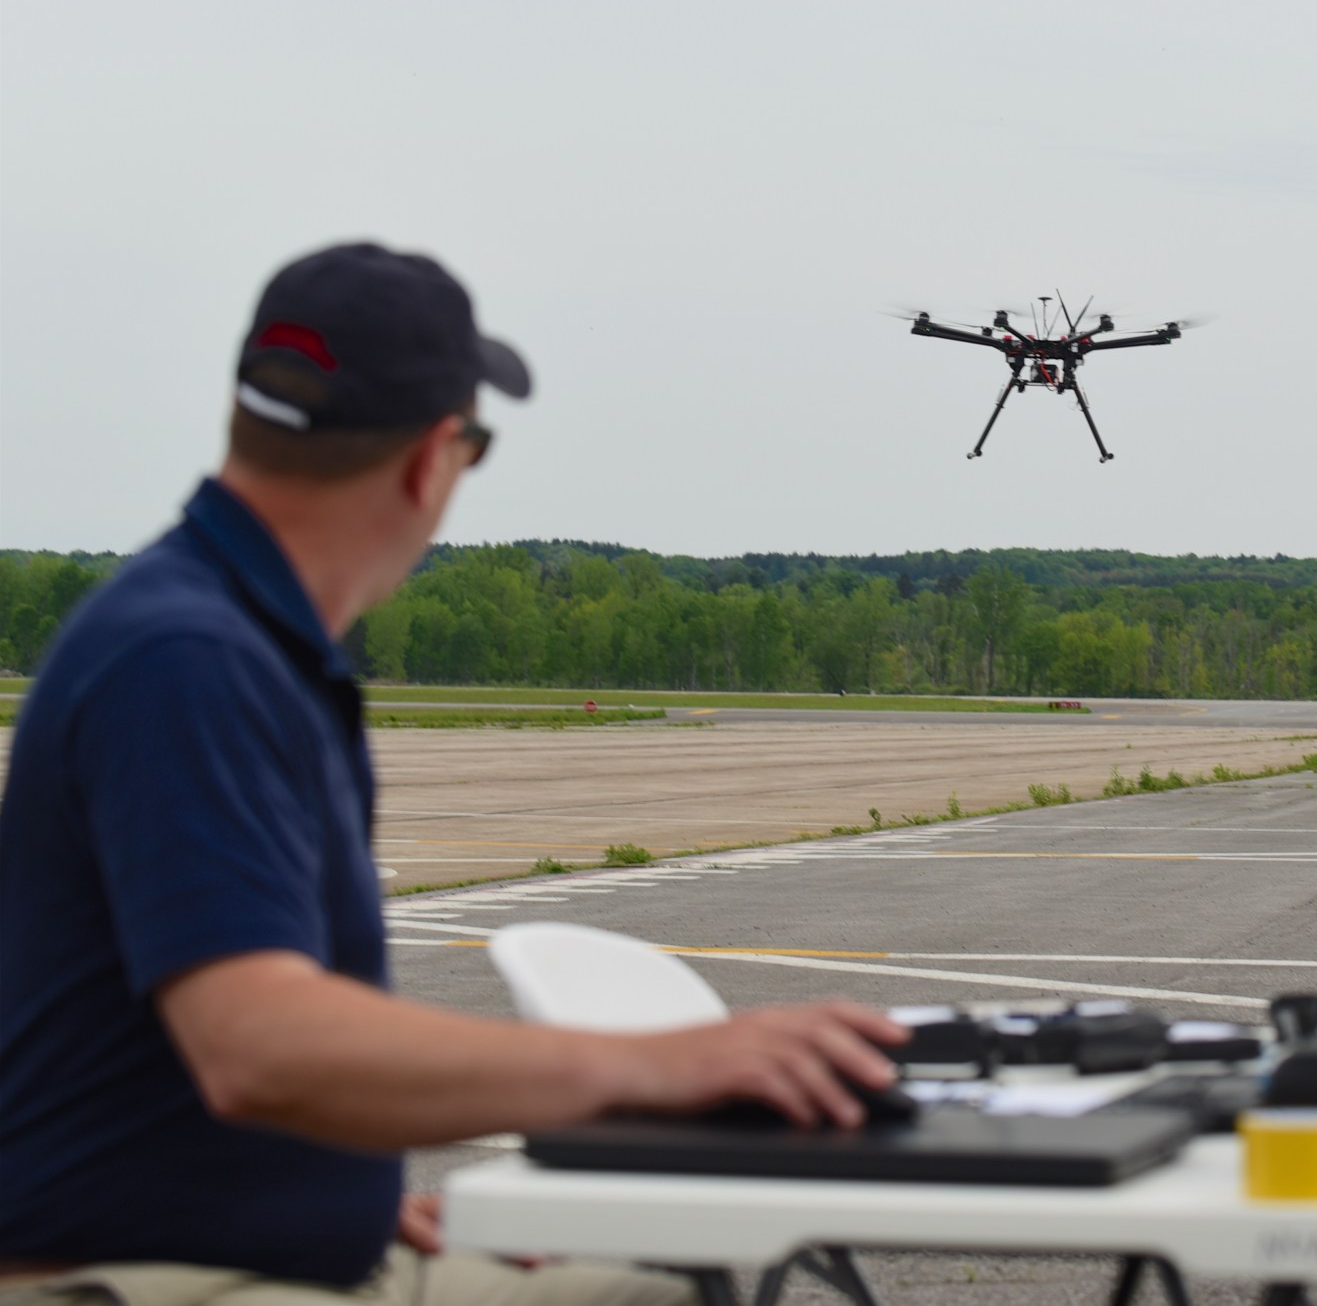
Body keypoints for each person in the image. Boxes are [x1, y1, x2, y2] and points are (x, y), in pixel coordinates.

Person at [0, 243, 906, 1303]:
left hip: (231, 1245)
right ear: (433, 459)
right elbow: (256, 1045)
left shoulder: (215, 631)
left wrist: (332, 1196)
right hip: (125, 1278)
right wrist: (660, 1064)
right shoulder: (189, 658)